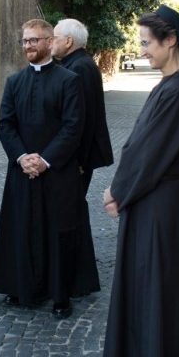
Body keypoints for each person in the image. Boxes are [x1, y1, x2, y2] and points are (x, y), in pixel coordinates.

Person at [101, 7, 179, 357]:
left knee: (153, 289)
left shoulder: (177, 90)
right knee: (142, 285)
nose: (142, 51)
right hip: (151, 197)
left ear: (170, 41)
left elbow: (148, 153)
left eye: (146, 43)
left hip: (156, 200)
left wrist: (118, 190)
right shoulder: (170, 86)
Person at [0, 18, 86, 319]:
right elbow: (6, 125)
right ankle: (21, 287)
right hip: (21, 170)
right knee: (21, 227)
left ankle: (60, 295)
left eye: (34, 40)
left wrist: (45, 160)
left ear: (49, 42)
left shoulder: (69, 80)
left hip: (57, 171)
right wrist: (21, 157)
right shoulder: (14, 82)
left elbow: (73, 127)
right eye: (25, 40)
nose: (28, 45)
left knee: (58, 233)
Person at [49, 18, 112, 296]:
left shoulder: (80, 68)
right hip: (77, 157)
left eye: (55, 37)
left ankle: (74, 274)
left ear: (68, 42)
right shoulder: (77, 64)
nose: (51, 42)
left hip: (77, 159)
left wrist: (78, 163)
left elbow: (81, 122)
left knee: (70, 211)